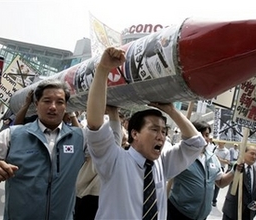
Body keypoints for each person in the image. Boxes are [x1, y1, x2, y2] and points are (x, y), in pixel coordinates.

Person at [85, 47, 206, 220]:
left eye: (164, 131)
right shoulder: (114, 161)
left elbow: (196, 143)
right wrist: (103, 69)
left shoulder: (162, 165)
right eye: (154, 129)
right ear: (134, 134)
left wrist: (171, 111)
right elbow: (95, 124)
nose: (161, 137)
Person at [0, 79, 87, 219]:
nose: (53, 107)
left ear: (66, 107)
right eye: (47, 101)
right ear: (36, 104)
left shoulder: (80, 138)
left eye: (60, 102)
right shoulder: (13, 135)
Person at [167, 121, 234, 220]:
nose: (204, 138)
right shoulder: (181, 154)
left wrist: (234, 171)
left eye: (206, 135)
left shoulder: (212, 158)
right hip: (179, 212)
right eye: (199, 134)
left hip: (202, 216)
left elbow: (220, 182)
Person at [74, 106, 122, 220]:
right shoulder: (88, 137)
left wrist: (113, 113)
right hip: (89, 192)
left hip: (89, 192)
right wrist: (113, 112)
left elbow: (116, 138)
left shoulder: (86, 136)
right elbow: (116, 138)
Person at [222, 145, 256, 220]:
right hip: (232, 210)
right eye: (252, 153)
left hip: (249, 212)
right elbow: (226, 179)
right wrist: (235, 170)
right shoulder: (236, 166)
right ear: (244, 153)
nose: (254, 156)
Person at [212, 140, 230, 207]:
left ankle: (214, 200)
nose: (219, 142)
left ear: (224, 142)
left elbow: (228, 161)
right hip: (212, 167)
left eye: (221, 141)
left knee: (217, 185)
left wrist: (219, 159)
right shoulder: (214, 148)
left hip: (220, 168)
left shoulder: (226, 151)